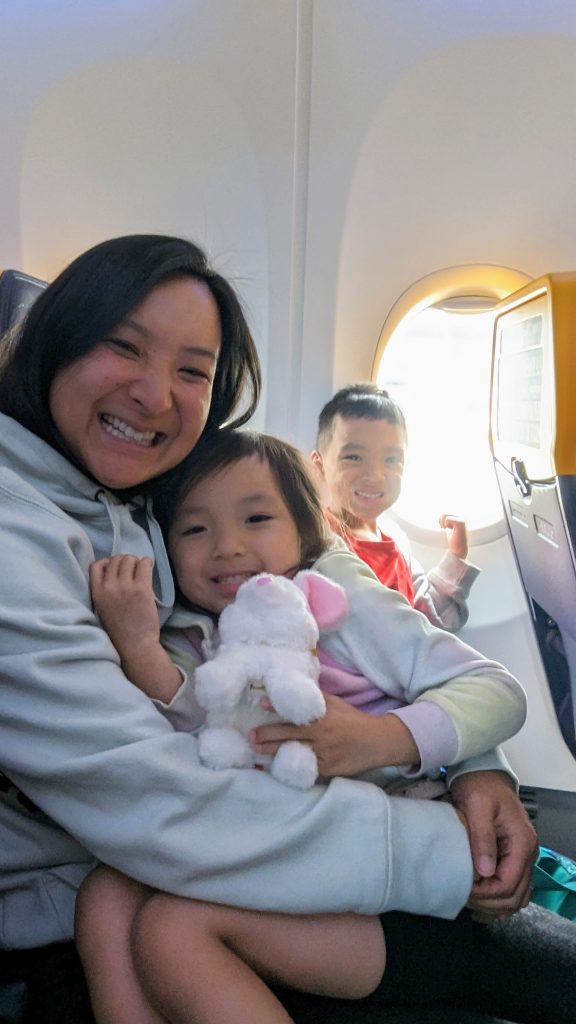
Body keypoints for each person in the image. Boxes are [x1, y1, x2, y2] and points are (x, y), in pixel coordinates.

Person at [0, 232, 572, 1024]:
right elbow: (154, 790)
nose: (156, 396)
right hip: (151, 858)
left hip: (278, 829)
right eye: (122, 347)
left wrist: (469, 761)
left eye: (193, 370)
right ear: (55, 339)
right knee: (148, 924)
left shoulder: (157, 474)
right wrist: (447, 852)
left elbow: (319, 561)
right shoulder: (23, 535)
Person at [76, 429, 528, 1024]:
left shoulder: (339, 602)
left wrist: (379, 738)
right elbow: (195, 728)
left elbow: (496, 689)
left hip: (396, 893)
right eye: (194, 529)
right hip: (291, 857)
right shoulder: (192, 630)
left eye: (257, 518)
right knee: (104, 897)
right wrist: (138, 645)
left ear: (304, 529)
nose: (227, 547)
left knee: (171, 932)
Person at [311, 383, 479, 631]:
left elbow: (427, 620)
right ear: (320, 466)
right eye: (353, 457)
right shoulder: (320, 543)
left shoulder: (396, 539)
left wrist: (456, 556)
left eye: (391, 460)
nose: (375, 476)